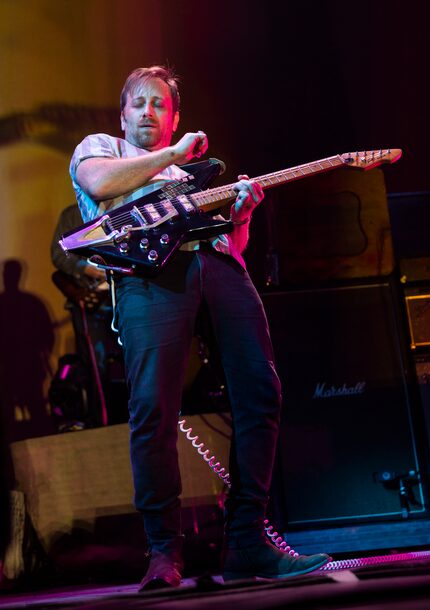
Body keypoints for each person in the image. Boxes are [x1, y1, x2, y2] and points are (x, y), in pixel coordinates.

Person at [68, 65, 329, 589]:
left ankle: (248, 542)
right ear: (122, 114)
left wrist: (244, 216)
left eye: (159, 105)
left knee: (260, 391)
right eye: (138, 104)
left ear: (175, 115)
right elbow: (96, 183)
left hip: (217, 265)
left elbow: (231, 244)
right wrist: (171, 155)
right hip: (149, 279)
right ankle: (164, 552)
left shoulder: (194, 178)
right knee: (153, 408)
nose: (148, 112)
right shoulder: (104, 149)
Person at [51, 204, 125, 429]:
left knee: (134, 360)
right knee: (95, 365)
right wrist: (86, 268)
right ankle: (100, 424)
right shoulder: (71, 214)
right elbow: (58, 255)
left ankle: (132, 420)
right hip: (90, 301)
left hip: (122, 296)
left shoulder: (121, 206)